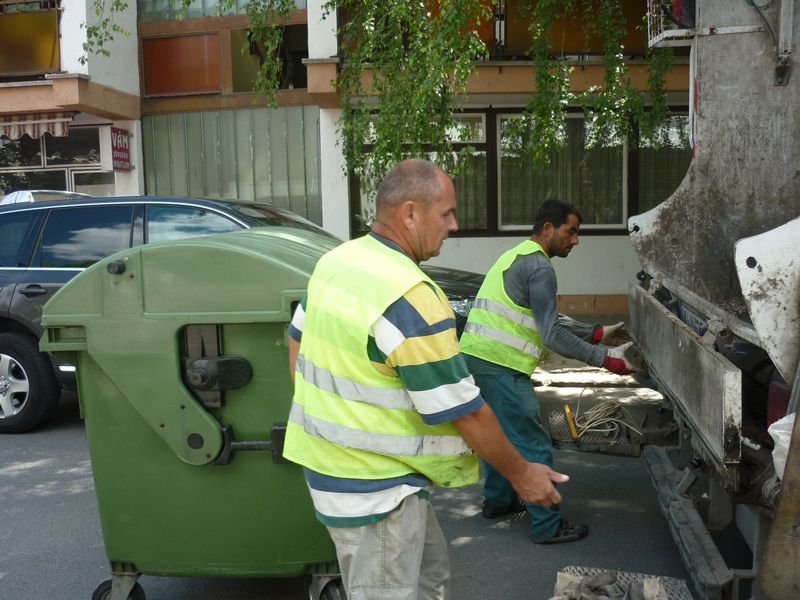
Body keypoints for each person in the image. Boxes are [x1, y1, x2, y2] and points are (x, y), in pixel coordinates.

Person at [283, 160, 570, 600]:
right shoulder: (410, 295)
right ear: (411, 213)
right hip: (377, 494)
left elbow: (296, 340)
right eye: (447, 214)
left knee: (431, 580)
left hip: (339, 475)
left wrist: (325, 416)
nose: (454, 226)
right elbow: (464, 410)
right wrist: (523, 475)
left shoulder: (337, 262)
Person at [460, 199, 638, 544]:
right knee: (531, 442)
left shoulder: (515, 256)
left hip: (476, 358)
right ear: (548, 229)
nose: (576, 240)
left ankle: (498, 501)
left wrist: (595, 332)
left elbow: (544, 317)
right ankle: (547, 525)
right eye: (571, 232)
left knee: (497, 435)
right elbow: (551, 333)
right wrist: (605, 358)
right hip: (502, 366)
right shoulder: (541, 269)